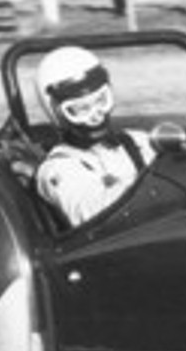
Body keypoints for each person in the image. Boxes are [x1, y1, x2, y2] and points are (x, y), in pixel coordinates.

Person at [34, 46, 155, 227]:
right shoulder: (58, 169)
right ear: (57, 113)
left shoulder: (134, 141)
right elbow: (91, 213)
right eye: (82, 109)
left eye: (100, 101)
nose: (96, 115)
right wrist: (156, 184)